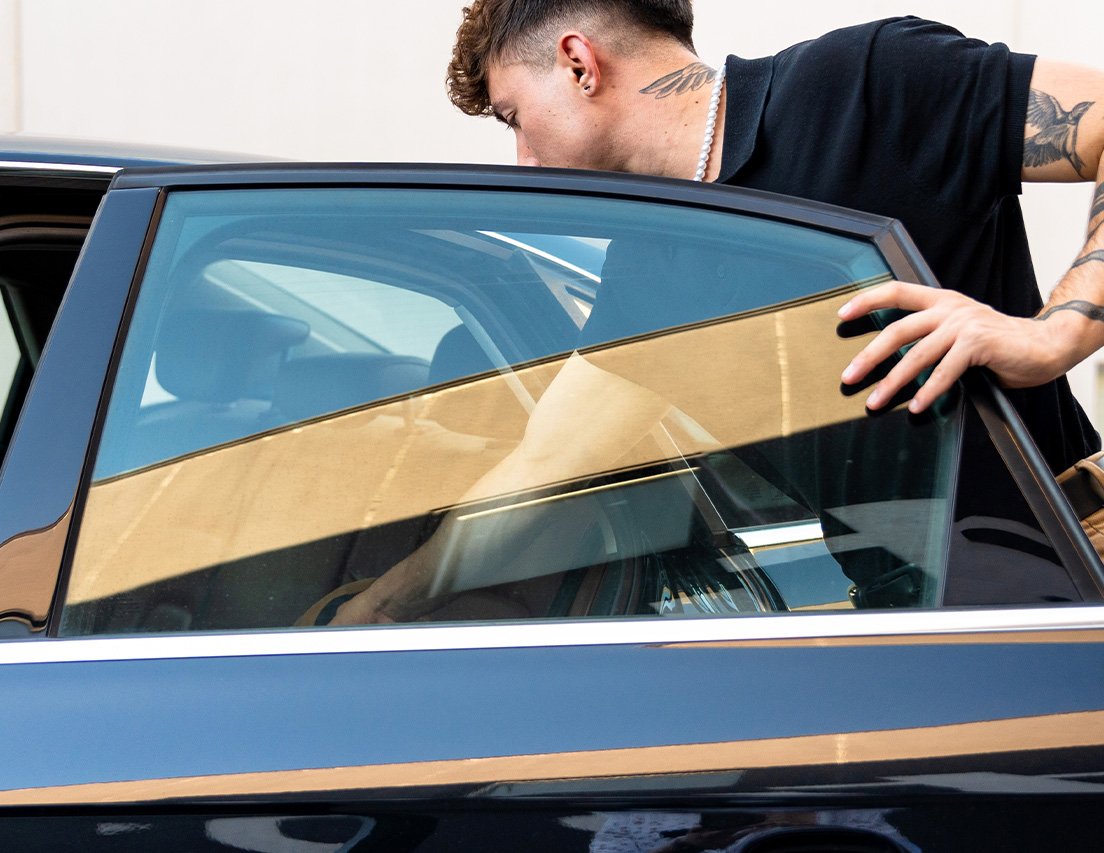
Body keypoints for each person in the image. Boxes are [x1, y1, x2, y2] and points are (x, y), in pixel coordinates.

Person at [332, 0, 1104, 624]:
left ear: (578, 63)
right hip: (920, 616)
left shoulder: (865, 82)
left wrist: (1054, 334)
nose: (522, 160)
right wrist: (379, 605)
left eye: (513, 117)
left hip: (1077, 556)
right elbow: (540, 474)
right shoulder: (650, 271)